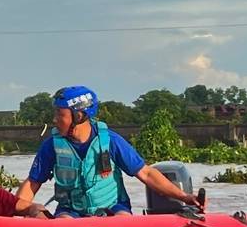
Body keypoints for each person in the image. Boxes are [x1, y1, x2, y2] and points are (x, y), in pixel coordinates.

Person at [15, 85, 203, 217]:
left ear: (78, 116)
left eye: (60, 114)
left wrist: (184, 197)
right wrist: (16, 209)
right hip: (71, 212)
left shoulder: (111, 141)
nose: (55, 119)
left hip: (113, 208)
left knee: (123, 221)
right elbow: (33, 182)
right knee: (64, 223)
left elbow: (146, 173)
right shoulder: (52, 146)